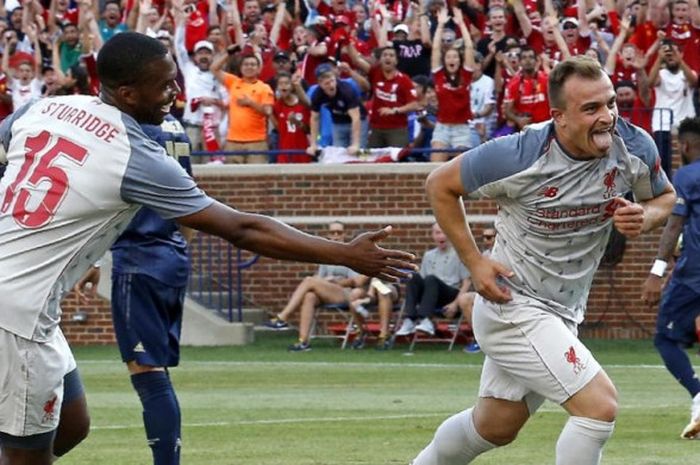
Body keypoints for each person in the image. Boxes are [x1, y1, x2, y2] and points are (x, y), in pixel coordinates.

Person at [0, 32, 416, 465]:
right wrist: (344, 253)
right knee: (29, 457)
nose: (175, 93)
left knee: (72, 425)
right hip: (18, 315)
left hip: (29, 303)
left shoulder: (46, 106)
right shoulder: (134, 153)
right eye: (163, 85)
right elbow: (242, 228)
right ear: (126, 93)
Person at [411, 55, 675, 465]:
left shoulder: (634, 145)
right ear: (560, 117)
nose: (607, 117)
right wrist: (475, 262)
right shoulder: (520, 154)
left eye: (610, 103)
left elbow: (664, 197)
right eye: (591, 109)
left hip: (564, 310)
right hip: (511, 303)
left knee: (495, 426)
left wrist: (647, 216)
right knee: (599, 406)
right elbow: (439, 184)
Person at [74, 115, 196, 465]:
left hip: (138, 259)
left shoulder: (124, 126)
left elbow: (101, 198)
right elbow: (190, 197)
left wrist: (92, 260)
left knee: (146, 372)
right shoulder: (174, 126)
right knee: (156, 368)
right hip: (172, 254)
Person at [642, 116, 700, 440]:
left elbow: (674, 225)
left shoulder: (688, 175)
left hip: (694, 275)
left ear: (685, 146)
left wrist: (656, 272)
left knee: (665, 338)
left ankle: (698, 395)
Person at [264, 221, 368, 352]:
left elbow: (355, 281)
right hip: (327, 292)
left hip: (346, 294)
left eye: (339, 233)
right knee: (310, 296)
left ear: (344, 235)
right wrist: (324, 281)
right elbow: (319, 277)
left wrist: (335, 282)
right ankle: (303, 342)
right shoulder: (326, 254)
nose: (336, 235)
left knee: (309, 281)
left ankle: (284, 317)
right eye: (332, 232)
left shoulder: (349, 253)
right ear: (328, 235)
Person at [394, 223, 471, 337]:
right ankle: (410, 319)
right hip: (431, 297)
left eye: (444, 232)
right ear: (433, 235)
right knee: (413, 276)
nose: (441, 236)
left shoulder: (458, 254)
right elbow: (422, 281)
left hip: (450, 294)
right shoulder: (428, 255)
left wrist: (455, 304)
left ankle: (425, 319)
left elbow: (467, 282)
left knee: (431, 279)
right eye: (437, 233)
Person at [461, 226, 496, 354]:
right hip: (487, 292)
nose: (486, 241)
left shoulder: (507, 253)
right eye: (484, 238)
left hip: (506, 292)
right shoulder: (484, 256)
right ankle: (480, 340)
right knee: (464, 299)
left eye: (489, 237)